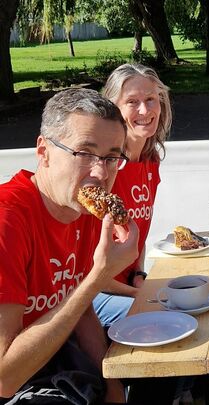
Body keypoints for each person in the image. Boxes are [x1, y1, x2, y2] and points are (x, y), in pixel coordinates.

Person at [0, 88, 139, 403]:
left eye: (112, 157)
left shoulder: (82, 209)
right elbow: (5, 378)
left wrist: (113, 388)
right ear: (44, 151)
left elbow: (83, 311)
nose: (100, 173)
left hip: (53, 358)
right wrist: (98, 276)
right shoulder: (7, 220)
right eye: (85, 153)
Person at [94, 63, 171, 329]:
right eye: (132, 102)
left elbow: (138, 235)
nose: (144, 111)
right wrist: (139, 294)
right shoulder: (104, 167)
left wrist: (139, 274)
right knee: (167, 318)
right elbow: (87, 269)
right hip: (95, 293)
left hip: (127, 284)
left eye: (151, 99)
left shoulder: (149, 160)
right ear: (113, 108)